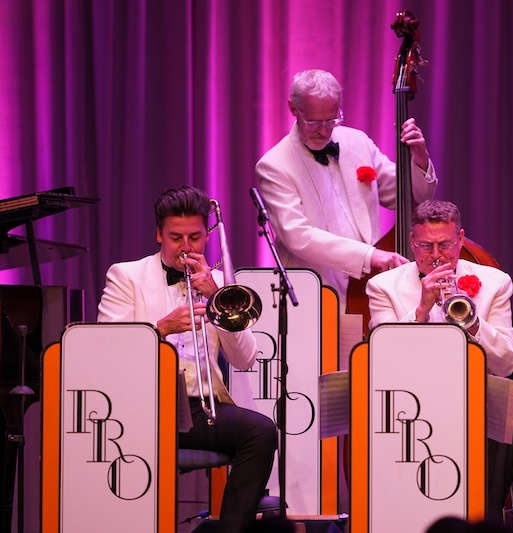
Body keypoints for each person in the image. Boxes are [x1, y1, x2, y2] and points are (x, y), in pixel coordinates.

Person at [97, 186, 277, 533]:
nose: (185, 246)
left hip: (199, 409)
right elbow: (108, 350)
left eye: (194, 237)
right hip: (145, 407)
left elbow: (244, 359)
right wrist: (160, 328)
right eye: (175, 237)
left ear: (207, 236)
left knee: (262, 431)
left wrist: (216, 298)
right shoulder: (126, 276)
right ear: (158, 235)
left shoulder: (221, 285)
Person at [366, 200, 513, 523]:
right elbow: (382, 361)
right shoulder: (382, 287)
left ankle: (482, 521)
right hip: (410, 406)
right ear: (411, 242)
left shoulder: (495, 283)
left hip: (473, 401)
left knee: (511, 430)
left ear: (460, 240)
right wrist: (421, 311)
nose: (436, 255)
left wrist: (473, 323)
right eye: (426, 246)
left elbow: (506, 362)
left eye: (445, 245)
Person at [256, 69, 437, 301]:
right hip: (316, 295)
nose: (323, 131)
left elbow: (407, 196)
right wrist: (369, 256)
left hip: (369, 289)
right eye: (313, 121)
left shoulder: (357, 141)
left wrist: (419, 158)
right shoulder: (274, 165)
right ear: (293, 109)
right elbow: (297, 235)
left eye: (331, 120)